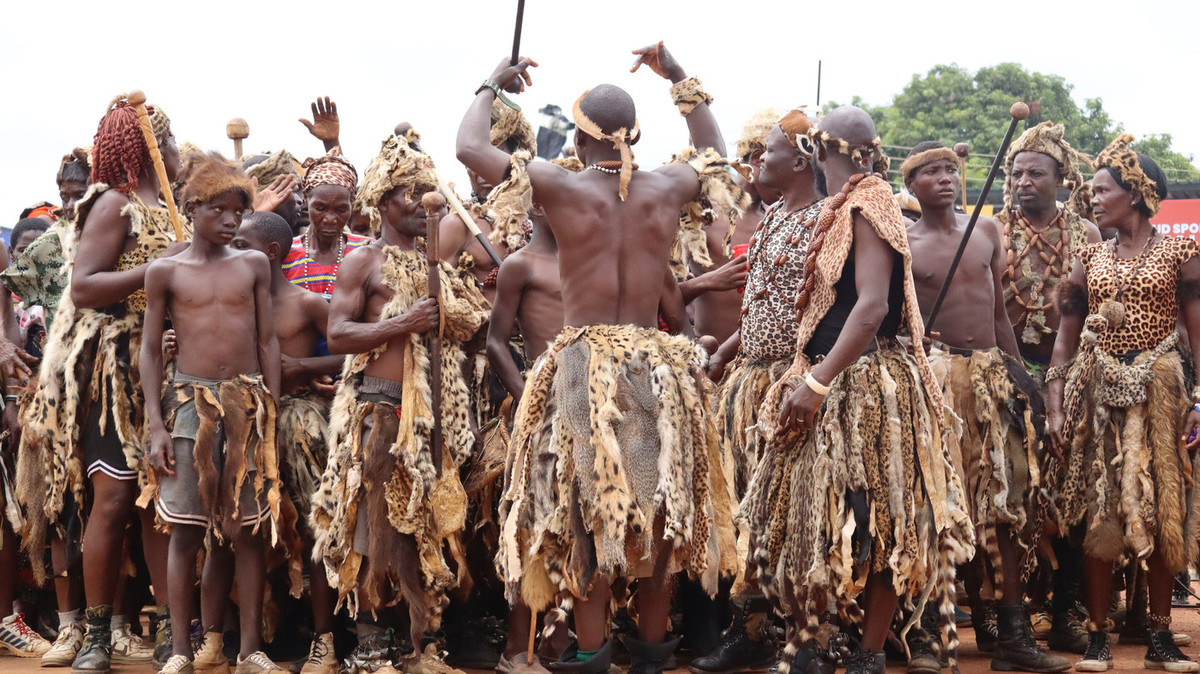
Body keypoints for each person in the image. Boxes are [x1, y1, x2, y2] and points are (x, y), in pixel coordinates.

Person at [459, 42, 739, 674]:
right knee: (656, 514)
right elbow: (716, 156)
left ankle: (592, 652)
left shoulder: (558, 185)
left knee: (586, 510)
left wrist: (491, 86)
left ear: (580, 139)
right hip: (657, 362)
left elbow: (469, 149)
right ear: (634, 134)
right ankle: (650, 652)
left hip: (585, 364)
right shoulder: (667, 185)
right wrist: (678, 77)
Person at [743, 106, 974, 674]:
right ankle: (816, 646)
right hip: (832, 378)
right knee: (811, 518)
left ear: (825, 152)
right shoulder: (849, 204)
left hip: (866, 389)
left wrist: (817, 383)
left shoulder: (869, 205)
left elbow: (871, 307)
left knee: (880, 523)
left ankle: (869, 653)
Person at [311, 131, 488, 674]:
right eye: (406, 193)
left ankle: (421, 637)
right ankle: (369, 642)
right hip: (379, 409)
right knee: (368, 526)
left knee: (423, 525)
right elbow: (338, 334)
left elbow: (472, 330)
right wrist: (404, 323)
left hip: (433, 416)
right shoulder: (363, 262)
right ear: (383, 203)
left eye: (424, 191)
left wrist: (457, 314)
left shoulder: (441, 264)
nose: (418, 201)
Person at [18, 95, 183, 673]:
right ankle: (95, 635)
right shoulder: (114, 204)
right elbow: (85, 286)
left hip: (169, 368)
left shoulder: (167, 206)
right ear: (147, 149)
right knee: (112, 500)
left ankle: (169, 632)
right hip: (115, 369)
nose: (177, 151)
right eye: (167, 143)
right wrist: (161, 269)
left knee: (161, 505)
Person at [903, 141, 1067, 673]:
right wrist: (911, 348)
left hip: (990, 379)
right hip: (935, 383)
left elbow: (999, 313)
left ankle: (1014, 638)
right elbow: (888, 315)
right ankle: (928, 636)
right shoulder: (902, 242)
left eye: (952, 168)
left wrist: (1022, 379)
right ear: (912, 186)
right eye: (931, 171)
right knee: (934, 508)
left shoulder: (988, 232)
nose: (946, 178)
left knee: (1004, 506)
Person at [1047, 136, 1200, 673]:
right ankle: (1096, 636)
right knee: (1099, 512)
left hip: (1161, 391)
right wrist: (1056, 403)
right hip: (1098, 392)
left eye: (1103, 189)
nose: (1094, 198)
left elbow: (1198, 335)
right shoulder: (1089, 257)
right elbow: (1066, 339)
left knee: (1161, 512)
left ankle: (1160, 636)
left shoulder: (1181, 252)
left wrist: (1199, 400)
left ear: (1136, 194)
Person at [140, 153, 290, 674]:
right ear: (192, 207)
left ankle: (250, 650)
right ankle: (180, 650)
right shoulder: (165, 271)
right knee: (184, 531)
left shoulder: (252, 265)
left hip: (247, 405)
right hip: (189, 406)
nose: (231, 220)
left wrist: (270, 405)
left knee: (246, 531)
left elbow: (268, 339)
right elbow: (152, 350)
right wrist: (156, 424)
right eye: (221, 210)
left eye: (238, 211)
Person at [694, 109, 825, 674]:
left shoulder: (829, 219)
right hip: (751, 384)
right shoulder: (774, 216)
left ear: (799, 162)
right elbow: (761, 309)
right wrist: (721, 356)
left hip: (800, 385)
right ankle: (751, 631)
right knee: (751, 512)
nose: (757, 161)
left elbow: (838, 311)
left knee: (801, 515)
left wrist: (813, 381)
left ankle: (812, 641)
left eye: (767, 152)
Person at [997, 122, 1101, 655]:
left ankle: (1066, 610)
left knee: (1073, 495)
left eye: (1036, 173)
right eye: (1016, 173)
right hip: (1009, 379)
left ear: (1061, 178)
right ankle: (1005, 612)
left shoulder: (1087, 233)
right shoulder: (994, 231)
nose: (1022, 181)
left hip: (1073, 378)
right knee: (1012, 495)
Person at [231, 211, 343, 674]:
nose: (231, 252)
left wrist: (304, 368)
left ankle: (324, 644)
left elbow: (354, 345)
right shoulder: (230, 301)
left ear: (272, 253)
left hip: (299, 424)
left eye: (242, 244)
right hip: (245, 420)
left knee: (314, 529)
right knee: (245, 532)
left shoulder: (306, 302)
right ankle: (246, 644)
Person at [686, 108, 785, 347]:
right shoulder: (705, 214)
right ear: (757, 160)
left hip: (758, 371)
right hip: (709, 362)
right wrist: (709, 281)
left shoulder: (780, 220)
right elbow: (660, 294)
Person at [282, 150, 372, 299]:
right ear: (305, 199)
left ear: (351, 204)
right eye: (320, 208)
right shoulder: (286, 253)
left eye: (341, 209)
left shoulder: (367, 250)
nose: (330, 219)